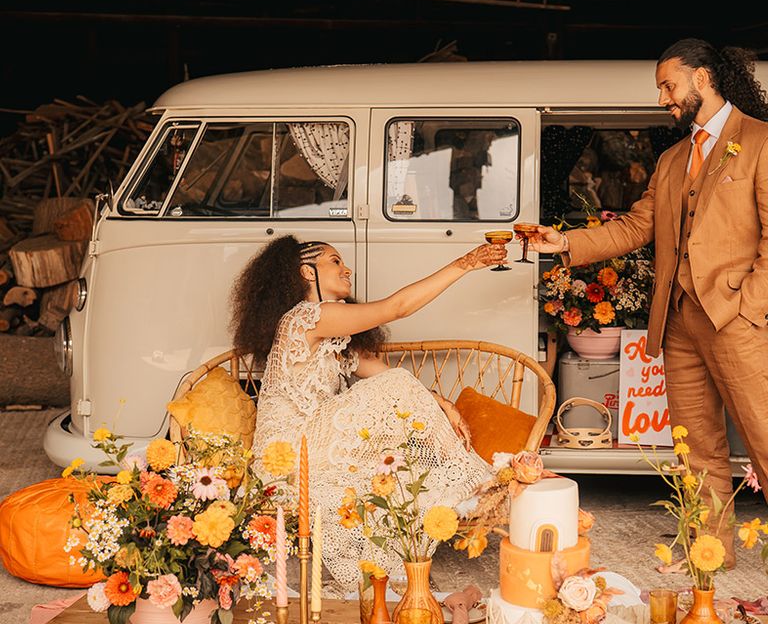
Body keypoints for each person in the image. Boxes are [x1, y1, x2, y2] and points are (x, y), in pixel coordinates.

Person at [529, 38, 768, 570]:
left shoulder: (759, 141)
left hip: (736, 321)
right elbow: (639, 226)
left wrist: (749, 307)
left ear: (702, 79)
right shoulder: (672, 158)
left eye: (668, 85)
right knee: (696, 450)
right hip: (679, 321)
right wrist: (565, 242)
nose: (664, 98)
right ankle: (711, 555)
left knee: (764, 438)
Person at [229, 235, 504, 589]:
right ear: (306, 272)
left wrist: (444, 404)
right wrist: (465, 264)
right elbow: (397, 308)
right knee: (399, 391)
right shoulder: (305, 318)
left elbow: (388, 377)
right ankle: (477, 485)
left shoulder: (333, 337)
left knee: (396, 454)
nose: (347, 270)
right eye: (334, 261)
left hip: (313, 449)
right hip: (286, 459)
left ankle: (457, 492)